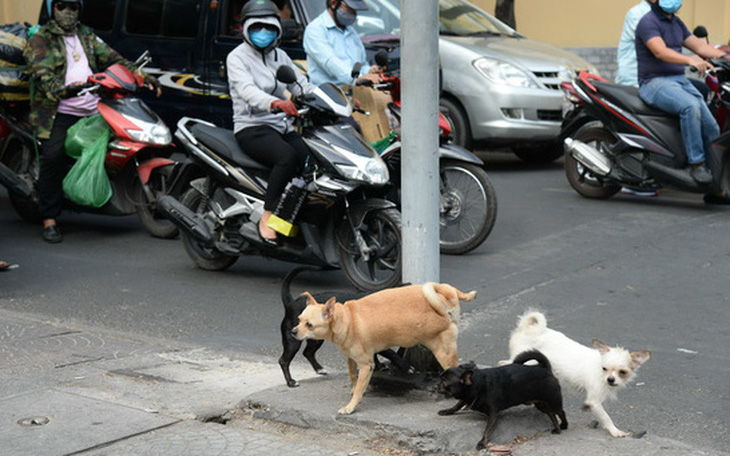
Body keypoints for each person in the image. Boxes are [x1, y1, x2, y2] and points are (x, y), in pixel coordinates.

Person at [24, 0, 160, 243]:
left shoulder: (86, 34)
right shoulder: (41, 39)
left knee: (123, 138)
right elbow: (43, 76)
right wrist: (64, 89)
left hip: (94, 106)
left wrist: (142, 75)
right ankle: (49, 219)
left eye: (74, 7)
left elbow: (115, 59)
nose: (68, 12)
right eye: (62, 6)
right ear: (52, 9)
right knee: (53, 156)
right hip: (59, 111)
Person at [227, 0, 315, 245]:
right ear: (245, 29)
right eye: (257, 27)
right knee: (287, 157)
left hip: (281, 125)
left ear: (277, 29)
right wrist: (276, 103)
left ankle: (288, 219)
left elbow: (301, 84)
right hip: (251, 126)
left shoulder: (281, 56)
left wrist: (333, 100)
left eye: (269, 27)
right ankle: (267, 216)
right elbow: (247, 91)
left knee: (310, 161)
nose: (263, 32)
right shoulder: (237, 58)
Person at [635, 0, 726, 185]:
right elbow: (660, 51)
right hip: (654, 82)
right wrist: (689, 60)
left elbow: (701, 47)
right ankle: (696, 164)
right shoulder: (648, 22)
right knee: (690, 107)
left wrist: (725, 57)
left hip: (678, 81)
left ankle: (716, 181)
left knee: (712, 126)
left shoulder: (676, 23)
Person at [303, 0, 383, 87]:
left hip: (354, 90)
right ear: (333, 3)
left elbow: (361, 64)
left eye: (355, 10)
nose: (353, 13)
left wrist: (369, 70)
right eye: (350, 9)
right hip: (327, 92)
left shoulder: (351, 32)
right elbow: (331, 62)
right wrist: (358, 78)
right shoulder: (315, 29)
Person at [616, 0, 652, 87]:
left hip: (652, 79)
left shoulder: (662, 15)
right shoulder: (637, 13)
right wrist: (686, 59)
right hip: (633, 79)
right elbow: (656, 44)